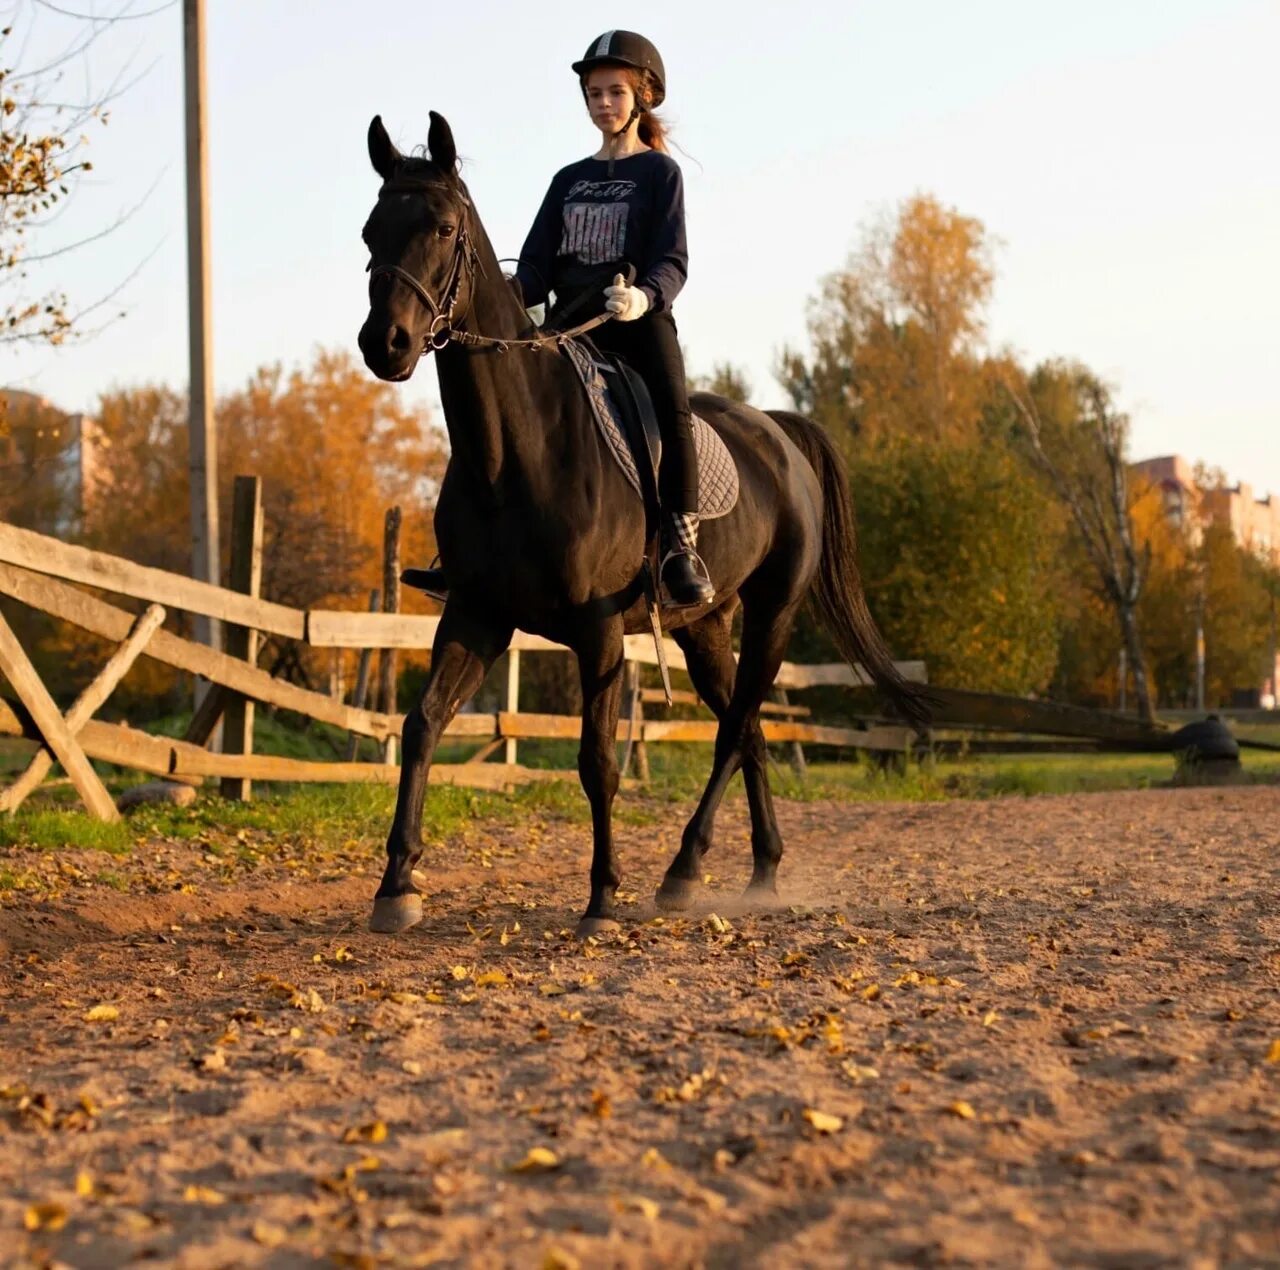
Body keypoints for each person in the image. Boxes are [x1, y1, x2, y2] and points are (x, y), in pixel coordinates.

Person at [409, 31, 713, 609]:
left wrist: (645, 298)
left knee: (673, 414)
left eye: (614, 92)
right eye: (594, 93)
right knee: (499, 407)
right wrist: (496, 300)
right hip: (567, 324)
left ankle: (680, 547)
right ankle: (465, 551)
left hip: (635, 322)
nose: (603, 103)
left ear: (642, 96)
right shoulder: (566, 179)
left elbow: (673, 261)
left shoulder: (659, 175)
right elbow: (533, 270)